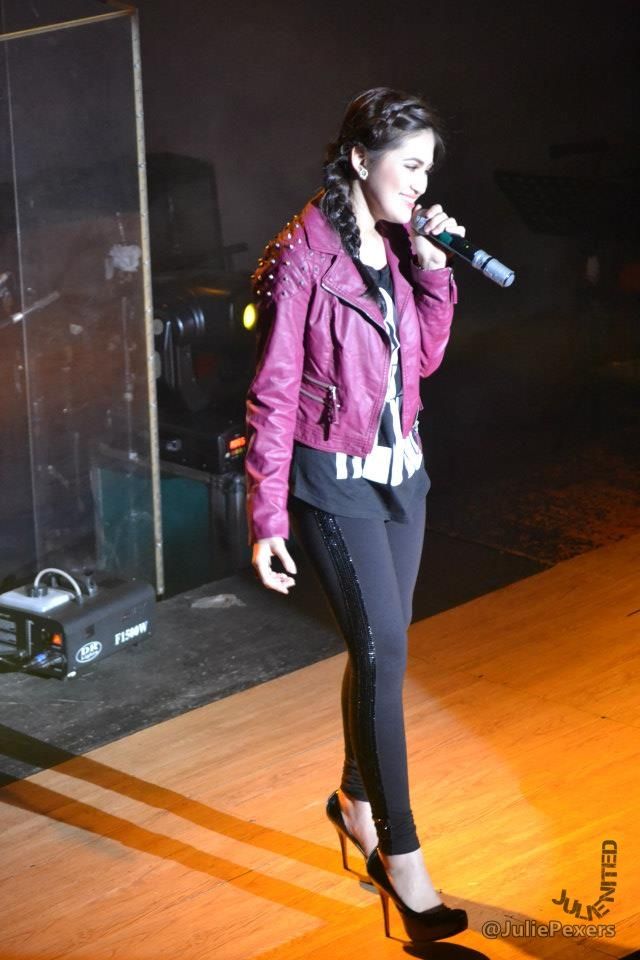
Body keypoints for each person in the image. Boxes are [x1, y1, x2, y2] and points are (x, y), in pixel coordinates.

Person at [245, 87, 468, 943]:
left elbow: (424, 361)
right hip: (333, 484)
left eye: (427, 169)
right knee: (385, 651)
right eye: (409, 165)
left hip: (402, 478)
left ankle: (353, 800)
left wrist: (436, 271)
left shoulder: (397, 243)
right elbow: (272, 394)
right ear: (358, 159)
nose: (420, 184)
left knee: (383, 647)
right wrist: (267, 517)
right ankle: (402, 861)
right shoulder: (302, 256)